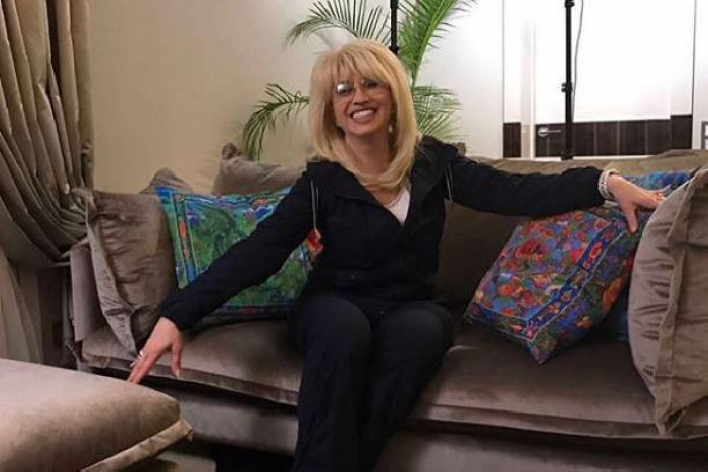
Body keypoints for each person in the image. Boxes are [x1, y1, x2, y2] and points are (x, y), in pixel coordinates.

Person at [128, 40, 665, 471]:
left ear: (392, 95)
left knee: (423, 332)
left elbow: (516, 192)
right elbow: (259, 252)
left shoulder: (434, 164)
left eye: (371, 83)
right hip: (334, 304)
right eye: (343, 90)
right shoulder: (321, 181)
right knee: (343, 330)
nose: (357, 97)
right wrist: (177, 314)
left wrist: (604, 181)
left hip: (410, 305)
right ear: (332, 111)